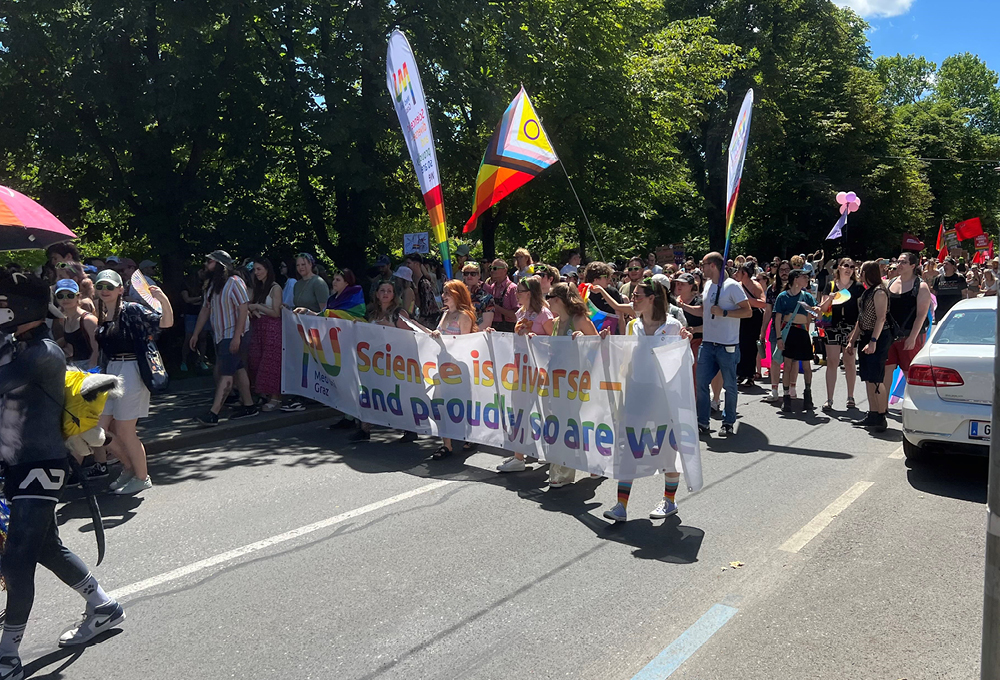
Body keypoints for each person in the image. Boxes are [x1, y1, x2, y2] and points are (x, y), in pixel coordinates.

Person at [0, 271, 126, 680]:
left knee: (17, 558)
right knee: (47, 548)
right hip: (18, 465)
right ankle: (103, 606)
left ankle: (8, 654)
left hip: (41, 465)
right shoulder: (14, 346)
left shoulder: (42, 353)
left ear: (22, 309)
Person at [603, 278, 687, 522]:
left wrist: (684, 343)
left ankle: (669, 500)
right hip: (637, 395)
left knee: (667, 451)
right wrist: (606, 342)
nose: (633, 299)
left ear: (652, 299)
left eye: (638, 295)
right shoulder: (633, 327)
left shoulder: (672, 326)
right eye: (633, 295)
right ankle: (621, 505)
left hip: (665, 397)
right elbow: (624, 359)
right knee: (629, 448)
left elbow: (683, 363)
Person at [94, 269, 175, 494]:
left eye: (109, 286)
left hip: (131, 369)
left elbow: (165, 323)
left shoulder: (132, 310)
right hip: (110, 371)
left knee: (125, 430)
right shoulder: (101, 313)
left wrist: (163, 300)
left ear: (121, 289)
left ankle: (142, 476)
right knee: (96, 429)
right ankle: (129, 467)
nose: (104, 291)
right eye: (100, 286)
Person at [495, 277, 555, 473]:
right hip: (522, 369)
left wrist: (538, 341)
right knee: (520, 410)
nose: (516, 293)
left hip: (539, 371)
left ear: (529, 293)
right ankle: (519, 456)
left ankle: (548, 451)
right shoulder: (521, 312)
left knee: (544, 411)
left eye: (519, 291)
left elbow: (556, 342)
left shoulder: (544, 315)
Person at [192, 250, 258, 425]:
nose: (206, 265)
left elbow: (243, 309)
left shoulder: (234, 282)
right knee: (239, 368)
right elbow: (205, 309)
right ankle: (249, 405)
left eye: (210, 262)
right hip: (222, 335)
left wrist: (237, 337)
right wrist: (196, 333)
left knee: (226, 372)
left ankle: (214, 413)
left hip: (233, 334)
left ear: (220, 265)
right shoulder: (213, 285)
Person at [350, 281, 414, 442]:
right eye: (382, 290)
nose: (385, 293)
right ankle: (364, 429)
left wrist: (391, 328)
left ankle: (410, 429)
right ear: (377, 294)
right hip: (373, 361)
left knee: (398, 395)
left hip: (395, 362)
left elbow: (412, 336)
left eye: (389, 291)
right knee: (368, 393)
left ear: (394, 295)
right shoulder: (371, 312)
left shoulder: (399, 313)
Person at [697, 252, 751, 436]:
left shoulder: (732, 286)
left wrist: (725, 313)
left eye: (703, 264)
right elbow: (705, 311)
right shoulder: (707, 285)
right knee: (701, 383)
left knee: (729, 385)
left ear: (712, 265)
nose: (701, 268)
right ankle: (702, 422)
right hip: (707, 343)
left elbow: (747, 312)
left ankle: (728, 421)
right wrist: (683, 306)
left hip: (727, 345)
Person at [425, 280, 478, 460]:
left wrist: (444, 339)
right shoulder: (445, 313)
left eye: (448, 293)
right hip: (442, 364)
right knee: (439, 401)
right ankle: (446, 444)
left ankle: (469, 435)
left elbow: (465, 343)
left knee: (460, 403)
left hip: (458, 367)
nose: (444, 296)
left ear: (457, 294)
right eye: (444, 293)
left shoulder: (464, 316)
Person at [847, 261, 892, 433]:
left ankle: (881, 416)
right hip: (866, 335)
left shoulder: (880, 292)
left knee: (876, 378)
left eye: (861, 271)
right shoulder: (867, 292)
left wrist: (873, 341)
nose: (858, 273)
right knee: (867, 377)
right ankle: (873, 413)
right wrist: (853, 340)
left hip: (878, 337)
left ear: (868, 272)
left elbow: (881, 318)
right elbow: (862, 318)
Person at [882, 252, 932, 405]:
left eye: (904, 262)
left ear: (912, 266)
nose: (899, 264)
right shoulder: (890, 283)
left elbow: (921, 315)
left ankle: (915, 406)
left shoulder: (921, 286)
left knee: (910, 373)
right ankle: (882, 409)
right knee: (886, 371)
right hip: (890, 336)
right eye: (898, 261)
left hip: (911, 336)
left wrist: (912, 338)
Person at [820, 258, 863, 411]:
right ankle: (829, 399)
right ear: (839, 267)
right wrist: (830, 299)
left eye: (852, 266)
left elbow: (861, 311)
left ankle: (850, 397)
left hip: (851, 328)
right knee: (832, 362)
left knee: (849, 362)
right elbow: (823, 309)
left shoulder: (858, 287)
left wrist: (856, 331)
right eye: (846, 265)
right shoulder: (830, 285)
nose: (849, 269)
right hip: (832, 327)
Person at [773, 269, 818, 412]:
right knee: (787, 366)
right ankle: (786, 397)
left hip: (803, 332)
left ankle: (808, 394)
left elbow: (817, 314)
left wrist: (816, 310)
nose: (807, 279)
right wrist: (779, 337)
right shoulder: (783, 296)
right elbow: (778, 318)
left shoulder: (807, 297)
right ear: (795, 279)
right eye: (804, 277)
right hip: (789, 332)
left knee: (806, 366)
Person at [247, 259, 284, 412]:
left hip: (272, 327)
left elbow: (276, 312)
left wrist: (258, 306)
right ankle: (263, 392)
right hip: (259, 325)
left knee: (271, 361)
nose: (256, 273)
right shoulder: (258, 287)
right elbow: (248, 304)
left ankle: (276, 397)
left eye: (259, 269)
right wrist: (253, 309)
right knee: (256, 359)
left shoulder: (275, 288)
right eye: (255, 270)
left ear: (267, 269)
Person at [759, 260, 791, 402]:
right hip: (775, 329)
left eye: (786, 269)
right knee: (775, 361)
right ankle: (774, 390)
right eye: (781, 270)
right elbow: (768, 311)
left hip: (793, 329)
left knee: (791, 361)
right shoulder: (772, 289)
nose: (784, 272)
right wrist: (762, 330)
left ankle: (789, 390)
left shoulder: (796, 288)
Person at [54, 279, 98, 370]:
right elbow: (71, 349)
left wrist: (91, 371)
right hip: (74, 366)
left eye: (70, 295)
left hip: (90, 368)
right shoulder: (64, 321)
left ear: (77, 296)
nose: (65, 299)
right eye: (60, 296)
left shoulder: (88, 320)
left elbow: (97, 350)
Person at [734, 263, 765, 385]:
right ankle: (741, 373)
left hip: (754, 317)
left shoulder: (756, 286)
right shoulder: (737, 286)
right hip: (741, 316)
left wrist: (746, 300)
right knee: (740, 344)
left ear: (745, 274)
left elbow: (763, 303)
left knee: (751, 346)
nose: (736, 274)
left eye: (739, 271)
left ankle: (750, 375)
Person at [180, 268, 210, 373]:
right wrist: (201, 298)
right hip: (191, 314)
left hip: (202, 313)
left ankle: (201, 360)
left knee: (203, 337)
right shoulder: (186, 285)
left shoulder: (205, 284)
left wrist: (199, 300)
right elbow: (187, 299)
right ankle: (184, 361)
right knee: (188, 337)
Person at [482, 259, 518, 333]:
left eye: (495, 268)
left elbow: (516, 315)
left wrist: (495, 307)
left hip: (509, 328)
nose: (492, 271)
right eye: (490, 268)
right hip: (493, 328)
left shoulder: (512, 288)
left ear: (505, 270)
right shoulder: (492, 288)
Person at [406, 253, 441, 328]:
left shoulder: (424, 282)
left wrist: (422, 318)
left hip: (429, 320)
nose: (407, 266)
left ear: (416, 264)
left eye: (409, 263)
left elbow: (428, 303)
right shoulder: (411, 280)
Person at [932, 257, 969, 322]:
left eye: (947, 264)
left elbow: (964, 294)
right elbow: (934, 294)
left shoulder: (959, 278)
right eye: (943, 264)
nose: (944, 266)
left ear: (953, 266)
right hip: (941, 310)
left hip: (955, 309)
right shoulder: (938, 278)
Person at [461, 262, 495, 329]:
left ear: (479, 275)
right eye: (466, 273)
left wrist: (469, 334)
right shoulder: (456, 295)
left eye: (473, 274)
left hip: (477, 336)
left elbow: (486, 324)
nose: (469, 276)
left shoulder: (488, 298)